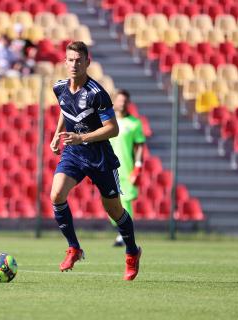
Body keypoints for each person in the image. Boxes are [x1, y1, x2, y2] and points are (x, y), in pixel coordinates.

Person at [49, 41, 142, 281]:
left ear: (87, 62)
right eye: (70, 59)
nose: (74, 64)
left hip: (99, 157)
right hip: (74, 153)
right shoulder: (59, 87)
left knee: (114, 210)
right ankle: (74, 248)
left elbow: (112, 129)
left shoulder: (97, 93)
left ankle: (132, 252)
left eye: (79, 60)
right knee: (56, 195)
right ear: (65, 62)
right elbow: (64, 109)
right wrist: (57, 135)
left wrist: (82, 137)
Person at [109, 89, 146, 247]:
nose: (122, 104)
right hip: (108, 168)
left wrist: (138, 166)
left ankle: (124, 235)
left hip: (126, 169)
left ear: (128, 103)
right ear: (114, 102)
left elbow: (139, 146)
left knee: (126, 203)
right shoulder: (106, 122)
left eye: (125, 101)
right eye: (120, 100)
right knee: (110, 203)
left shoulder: (135, 123)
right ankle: (121, 231)